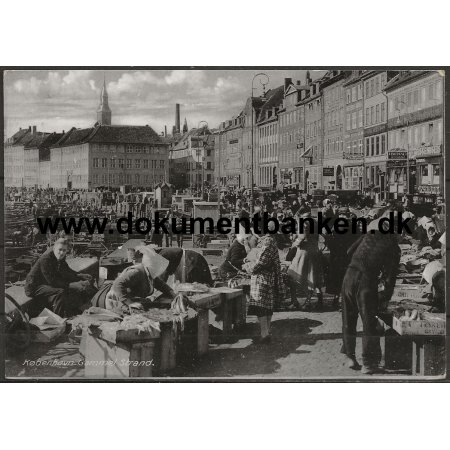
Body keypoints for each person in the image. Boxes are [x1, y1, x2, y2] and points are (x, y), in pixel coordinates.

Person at [340, 212, 401, 374]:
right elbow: (390, 276)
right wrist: (384, 298)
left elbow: (349, 251)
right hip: (366, 281)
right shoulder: (392, 244)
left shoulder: (369, 234)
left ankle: (349, 357)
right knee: (370, 322)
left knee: (348, 317)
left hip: (349, 275)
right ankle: (368, 363)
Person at [25, 238, 96, 317]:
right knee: (60, 291)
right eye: (60, 249)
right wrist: (73, 285)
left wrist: (80, 275)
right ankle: (59, 317)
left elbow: (66, 270)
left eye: (64, 250)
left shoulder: (59, 257)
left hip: (45, 283)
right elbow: (52, 281)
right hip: (35, 286)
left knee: (72, 285)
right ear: (54, 248)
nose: (61, 253)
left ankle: (73, 311)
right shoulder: (46, 259)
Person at [93, 246, 179, 310]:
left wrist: (174, 295)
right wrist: (129, 303)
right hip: (114, 300)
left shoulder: (150, 275)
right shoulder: (137, 271)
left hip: (128, 299)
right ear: (152, 266)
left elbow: (163, 286)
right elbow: (117, 284)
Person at [243, 223, 285, 344]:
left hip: (263, 278)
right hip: (266, 277)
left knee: (261, 306)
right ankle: (266, 332)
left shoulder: (267, 242)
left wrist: (248, 267)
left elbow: (261, 262)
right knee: (266, 306)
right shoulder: (267, 241)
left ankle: (264, 334)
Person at [286, 213, 324, 310]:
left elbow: (300, 241)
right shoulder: (315, 224)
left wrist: (293, 243)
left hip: (303, 254)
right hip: (313, 253)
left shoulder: (305, 225)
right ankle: (309, 301)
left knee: (292, 276)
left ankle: (296, 301)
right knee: (312, 277)